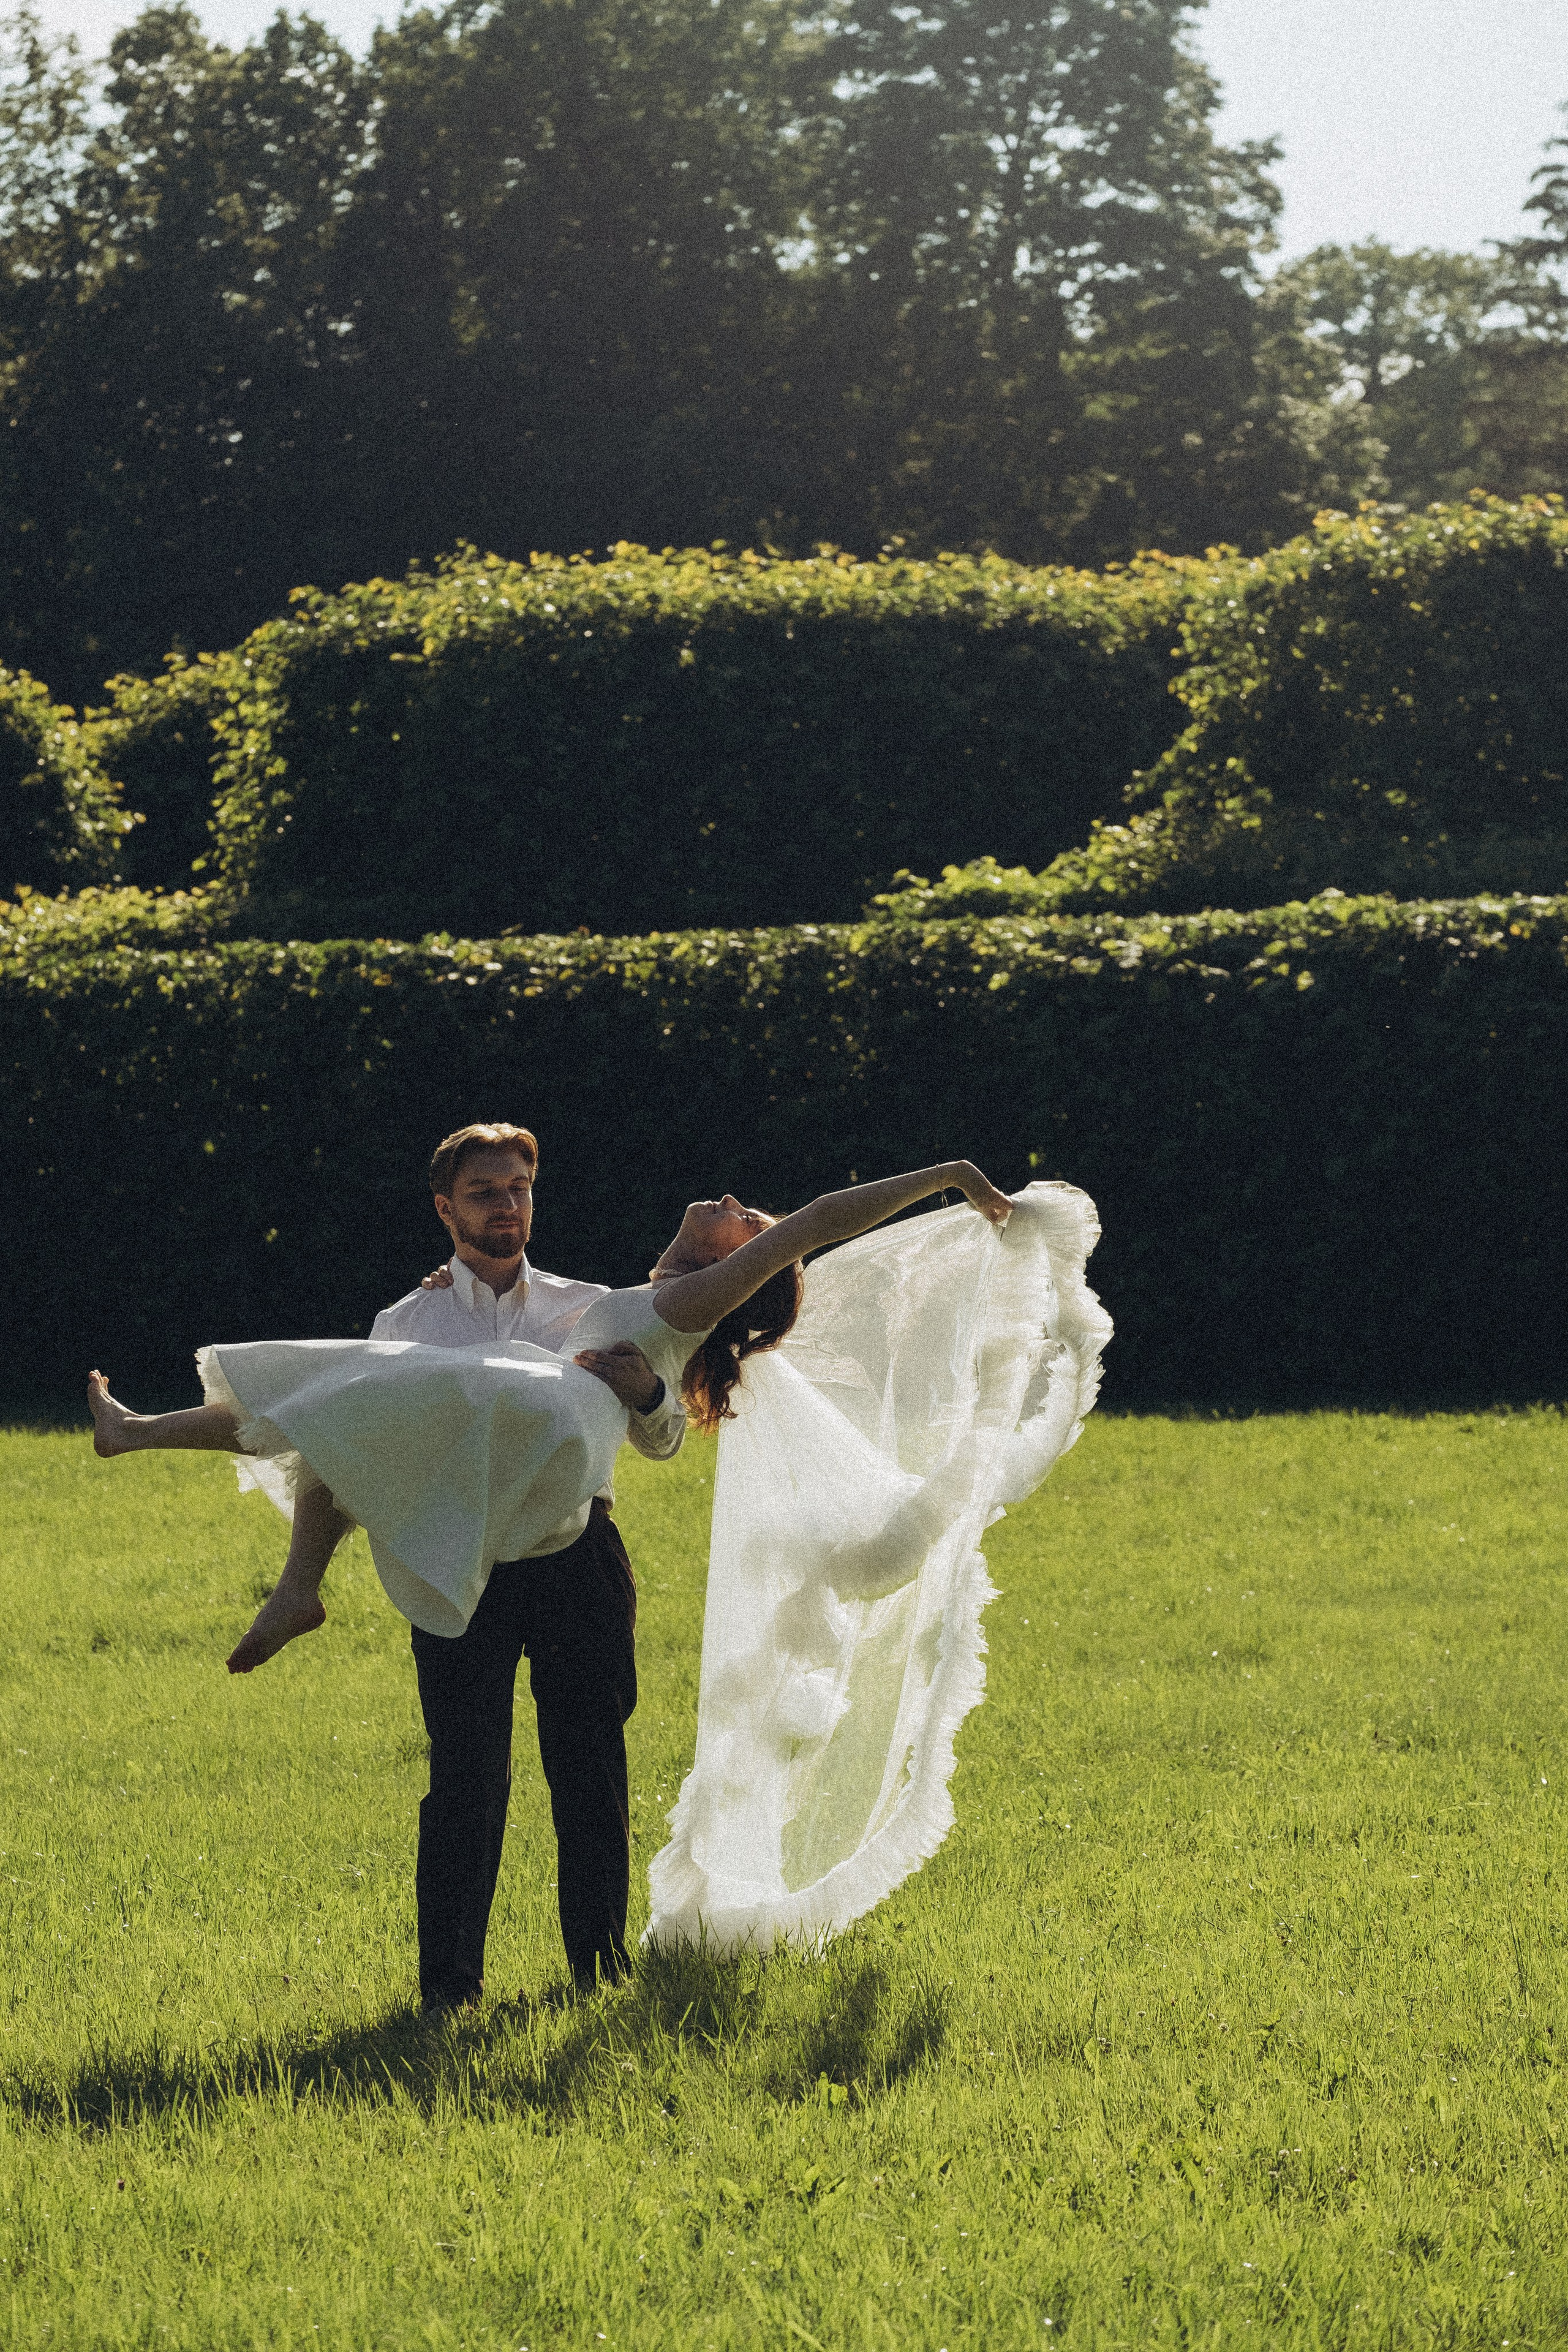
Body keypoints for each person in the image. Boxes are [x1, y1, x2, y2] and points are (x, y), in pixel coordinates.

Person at [88, 1128, 1013, 1998]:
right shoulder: (406, 1316)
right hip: (466, 1563)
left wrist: (946, 1178)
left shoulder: (607, 1306)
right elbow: (353, 1457)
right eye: (486, 1193)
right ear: (446, 1208)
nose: (508, 1206)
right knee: (464, 1779)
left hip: (578, 1561)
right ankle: (449, 1989)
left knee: (589, 1772)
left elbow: (795, 1247)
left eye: (520, 1190)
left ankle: (598, 1973)